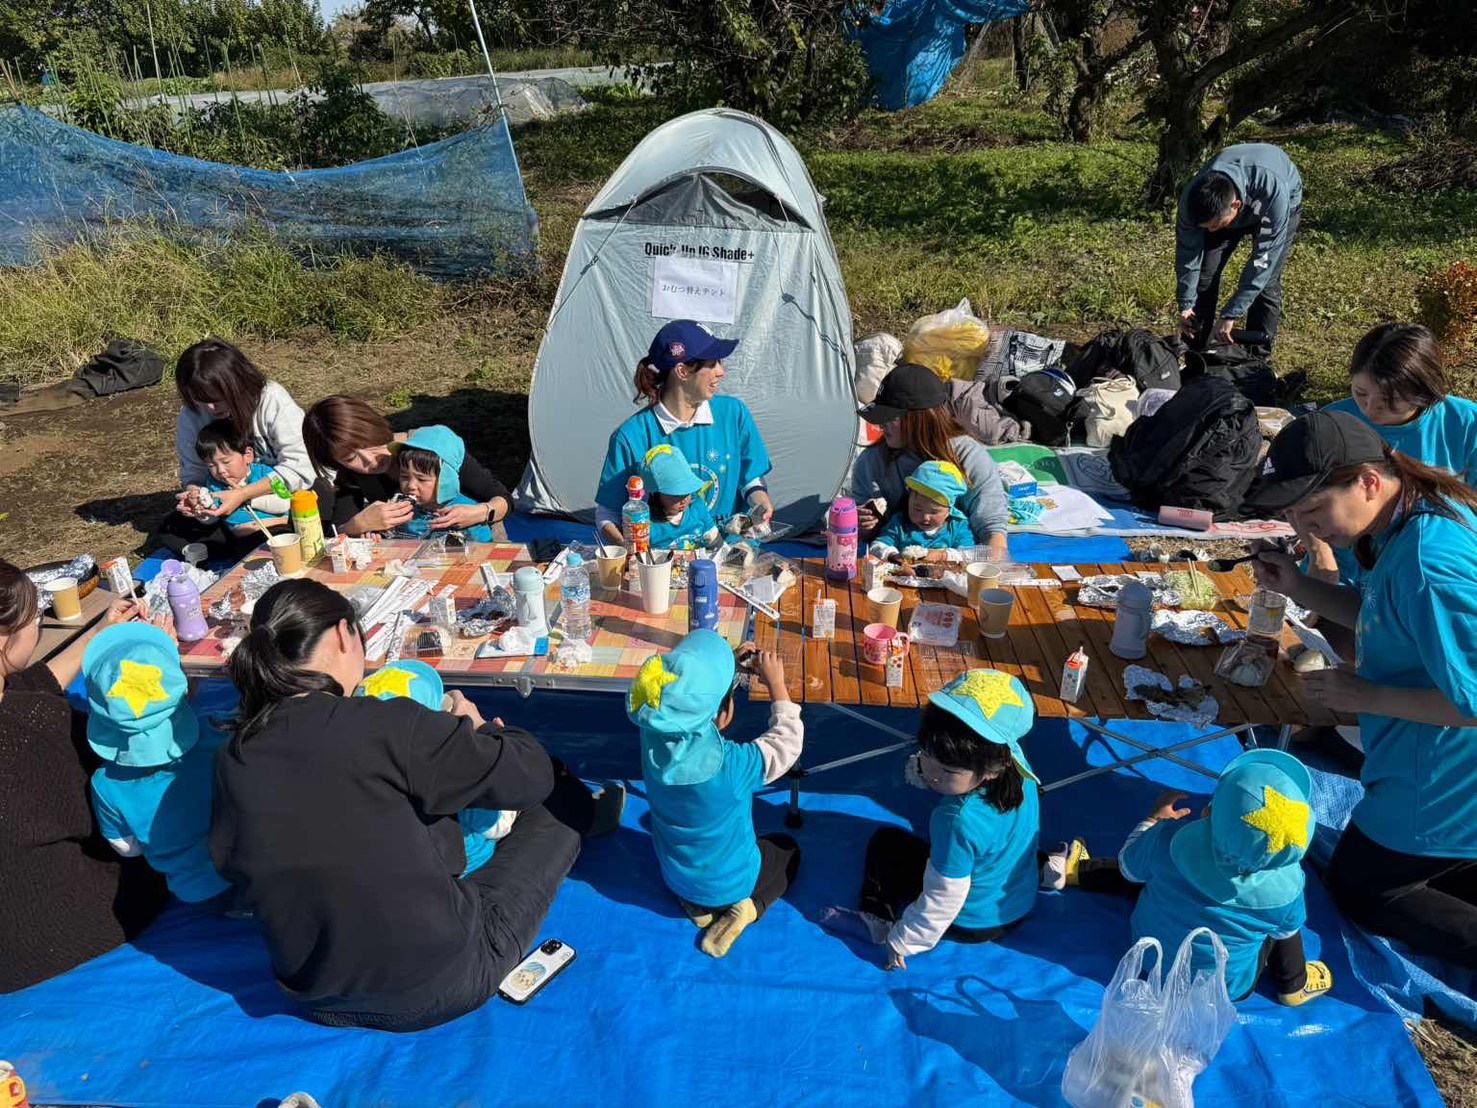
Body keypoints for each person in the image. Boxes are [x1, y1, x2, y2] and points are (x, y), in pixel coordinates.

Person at [211, 579, 623, 1030]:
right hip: (441, 981)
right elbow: (530, 775)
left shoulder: (233, 756)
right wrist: (481, 729)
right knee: (557, 793)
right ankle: (588, 817)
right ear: (345, 634)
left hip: (313, 990)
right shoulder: (386, 726)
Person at [1244, 410, 1477, 969]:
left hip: (1444, 770)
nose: (1307, 528)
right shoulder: (1413, 514)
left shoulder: (1428, 562)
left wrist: (1367, 698)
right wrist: (1300, 585)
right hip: (1429, 754)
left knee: (1364, 889)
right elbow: (1381, 614)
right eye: (1294, 514)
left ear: (1368, 482)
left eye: (1314, 509)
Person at [1046, 750, 1332, 1006]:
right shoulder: (1287, 892)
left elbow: (1128, 865)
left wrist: (1154, 822)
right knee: (1285, 928)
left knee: (1148, 869)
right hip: (1223, 988)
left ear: (1209, 810)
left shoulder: (1169, 842)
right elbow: (1283, 928)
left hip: (1151, 959)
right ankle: (1294, 983)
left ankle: (1077, 872)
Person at [0, 560, 168, 992]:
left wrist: (98, 637)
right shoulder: (33, 726)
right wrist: (168, 684)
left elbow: (31, 685)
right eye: (33, 619)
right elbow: (94, 802)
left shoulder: (22, 707)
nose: (37, 627)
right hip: (46, 934)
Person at [820, 670, 1040, 969]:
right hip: (1016, 901)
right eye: (927, 754)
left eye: (948, 772)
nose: (933, 774)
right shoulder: (1017, 767)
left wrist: (905, 940)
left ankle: (877, 920)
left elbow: (944, 897)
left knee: (887, 844)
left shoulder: (955, 820)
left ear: (990, 769)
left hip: (972, 920)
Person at [628, 632, 803, 958]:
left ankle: (696, 906)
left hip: (676, 876)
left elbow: (677, 698)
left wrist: (725, 665)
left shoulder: (651, 733)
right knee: (786, 851)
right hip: (731, 882)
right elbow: (786, 743)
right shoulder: (733, 765)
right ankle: (747, 908)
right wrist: (777, 686)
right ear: (724, 716)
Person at [1303, 323, 1477, 586]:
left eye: (1389, 400)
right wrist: (1319, 552)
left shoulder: (1465, 423)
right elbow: (1300, 498)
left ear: (1423, 392)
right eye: (1360, 393)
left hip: (1421, 579)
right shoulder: (1334, 422)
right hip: (1342, 576)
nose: (1370, 410)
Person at [83, 622, 232, 907]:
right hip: (246, 869)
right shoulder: (217, 735)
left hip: (192, 892)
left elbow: (128, 849)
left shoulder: (105, 784)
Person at [596, 321, 773, 545]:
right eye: (712, 364)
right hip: (665, 565)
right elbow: (607, 514)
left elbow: (750, 479)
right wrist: (631, 550)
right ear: (682, 371)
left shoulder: (733, 413)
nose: (722, 372)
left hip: (731, 556)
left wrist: (761, 502)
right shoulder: (631, 436)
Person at [356, 659, 516, 878]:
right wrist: (499, 763)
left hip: (399, 867)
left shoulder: (358, 774)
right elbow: (498, 827)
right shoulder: (455, 778)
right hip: (465, 867)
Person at [157, 339, 314, 561]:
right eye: (202, 400)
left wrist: (243, 494)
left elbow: (301, 467)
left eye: (217, 398)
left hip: (278, 497)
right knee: (170, 527)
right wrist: (196, 497)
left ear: (237, 384)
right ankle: (241, 544)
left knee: (315, 500)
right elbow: (193, 472)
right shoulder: (192, 416)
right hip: (226, 506)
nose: (212, 408)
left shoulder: (270, 399)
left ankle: (249, 543)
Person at [852, 363, 1009, 557]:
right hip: (895, 564)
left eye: (890, 417)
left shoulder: (969, 456)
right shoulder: (871, 463)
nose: (881, 425)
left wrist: (982, 576)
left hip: (956, 565)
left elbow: (993, 532)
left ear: (921, 418)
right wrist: (865, 527)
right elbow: (866, 537)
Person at [301, 395, 511, 539]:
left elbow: (503, 499)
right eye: (349, 458)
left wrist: (480, 512)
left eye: (367, 444)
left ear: (373, 425)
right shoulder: (354, 476)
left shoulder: (429, 448)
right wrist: (358, 526)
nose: (369, 460)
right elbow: (339, 530)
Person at [1176, 143, 1303, 352]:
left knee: (1267, 282)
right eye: (1206, 228)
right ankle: (1196, 348)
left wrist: (1231, 314)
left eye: (1216, 226)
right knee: (1205, 275)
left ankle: (1257, 358)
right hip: (1232, 206)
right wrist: (1186, 304)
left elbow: (1263, 262)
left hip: (1278, 200)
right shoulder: (1192, 202)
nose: (1212, 232)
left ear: (1235, 206)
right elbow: (1187, 255)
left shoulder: (1272, 192)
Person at [393, 427, 495, 543]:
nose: (411, 485)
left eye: (421, 479)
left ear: (445, 480)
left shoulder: (466, 512)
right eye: (405, 477)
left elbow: (486, 549)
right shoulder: (400, 508)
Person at [195, 420, 293, 538]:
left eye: (226, 462)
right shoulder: (213, 484)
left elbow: (285, 503)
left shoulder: (267, 473)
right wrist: (202, 512)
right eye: (211, 465)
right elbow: (213, 518)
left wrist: (245, 498)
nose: (220, 470)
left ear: (247, 455)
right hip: (242, 539)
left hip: (278, 530)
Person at [868, 460, 975, 562]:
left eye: (934, 512)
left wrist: (942, 555)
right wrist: (891, 555)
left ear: (949, 509)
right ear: (909, 501)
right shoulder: (900, 523)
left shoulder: (957, 526)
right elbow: (877, 546)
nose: (925, 517)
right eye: (918, 509)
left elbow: (969, 554)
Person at [640, 444, 721, 551]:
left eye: (687, 492)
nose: (684, 500)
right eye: (676, 495)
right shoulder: (647, 524)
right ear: (654, 495)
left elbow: (716, 542)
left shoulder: (696, 507)